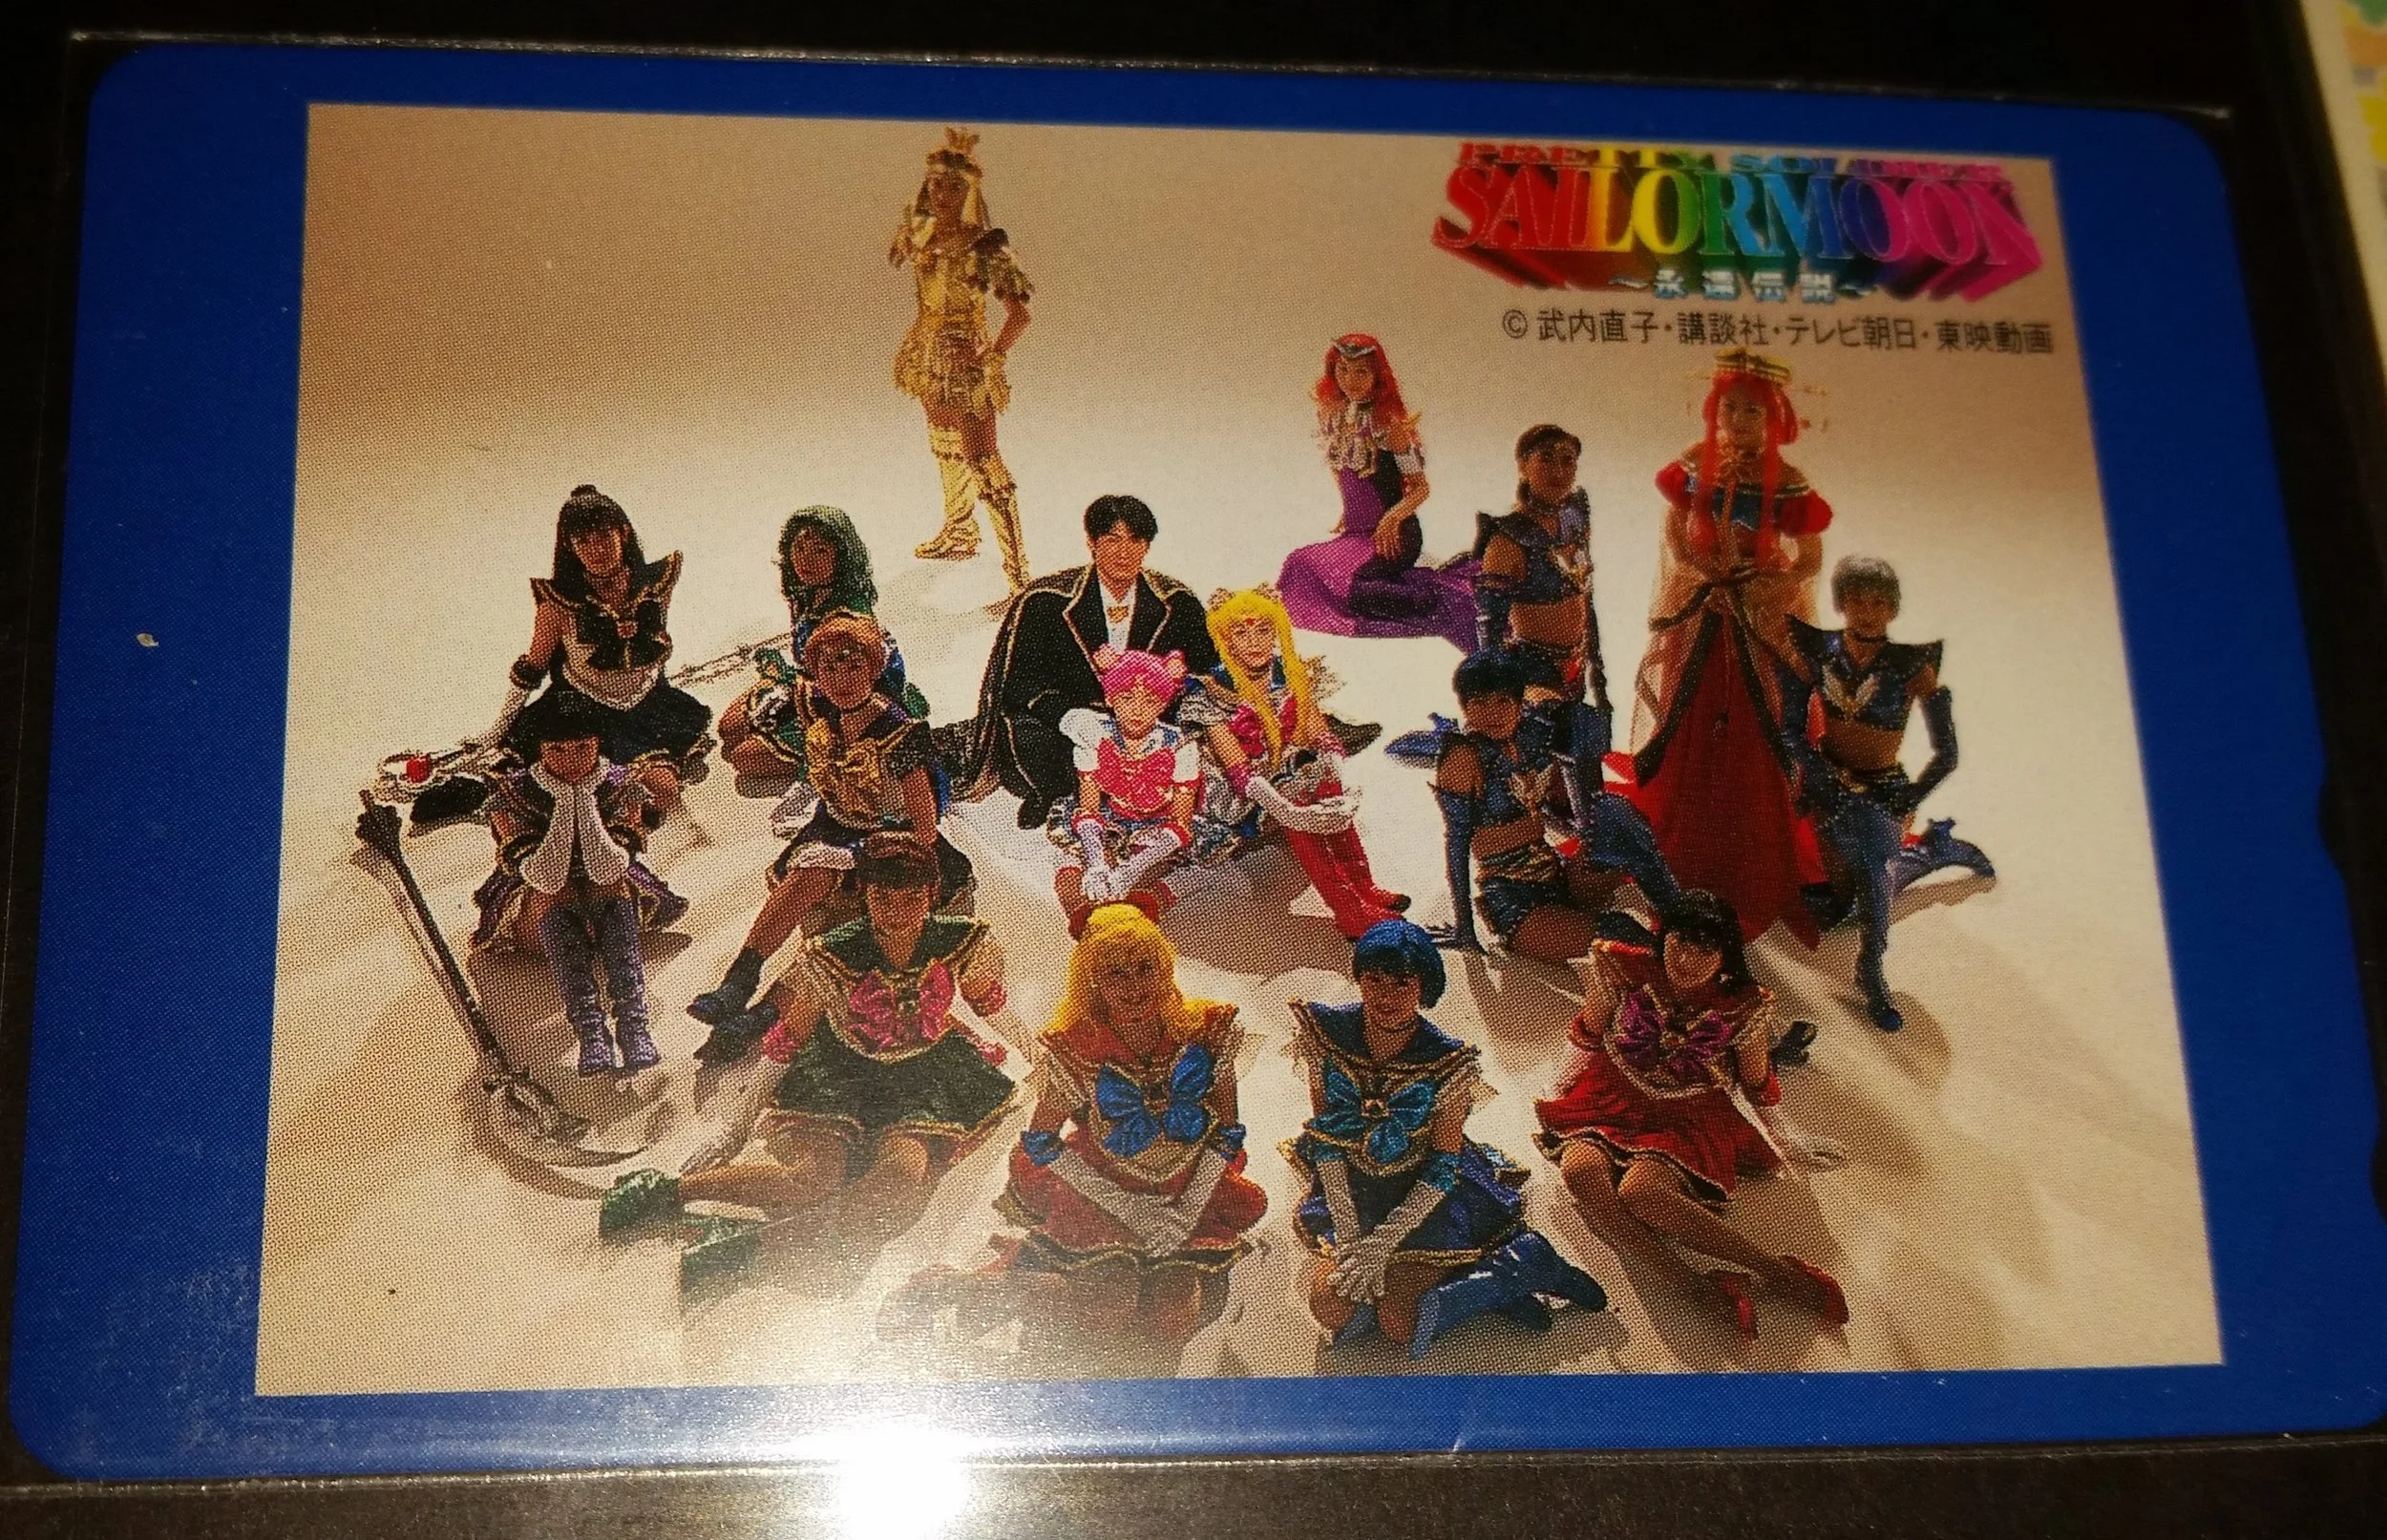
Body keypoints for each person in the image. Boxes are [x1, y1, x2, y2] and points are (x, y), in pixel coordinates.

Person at [599, 833, 1025, 1289]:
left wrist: (1037, 1052)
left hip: (925, 1079)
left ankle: (746, 1245)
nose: (897, 912)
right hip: (841, 1076)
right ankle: (668, 1190)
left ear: (932, 893)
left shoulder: (963, 939)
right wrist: (734, 1129)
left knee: (897, 1188)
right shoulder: (832, 953)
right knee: (811, 1179)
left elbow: (987, 1001)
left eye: (911, 898)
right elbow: (788, 1039)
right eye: (883, 897)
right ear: (863, 892)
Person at [882, 903, 1267, 1343]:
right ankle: (954, 1285)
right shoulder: (1076, 1048)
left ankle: (1026, 1274)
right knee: (1104, 1313)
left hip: (1190, 1187)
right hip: (1101, 1186)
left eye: (1145, 968)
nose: (1134, 986)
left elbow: (1227, 1133)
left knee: (1168, 1324)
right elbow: (1042, 1142)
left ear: (1164, 967)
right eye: (1116, 973)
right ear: (1093, 980)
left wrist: (1183, 1216)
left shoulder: (1209, 1030)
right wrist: (1134, 1211)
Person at [1286, 919, 1607, 1359]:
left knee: (1399, 1323)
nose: (1386, 996)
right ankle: (1487, 1287)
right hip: (1353, 1187)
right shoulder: (1325, 1031)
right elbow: (1326, 1137)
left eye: (1402, 983)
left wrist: (1383, 1243)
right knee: (1330, 1306)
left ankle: (1523, 1266)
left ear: (1424, 986)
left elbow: (1442, 1165)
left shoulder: (1448, 1059)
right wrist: (1350, 1238)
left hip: (1428, 1191)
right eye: (1374, 979)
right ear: (1358, 977)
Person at [1536, 892, 1848, 1340]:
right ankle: (1693, 1287)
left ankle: (1776, 1272)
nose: (1687, 960)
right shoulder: (1621, 966)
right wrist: (1559, 1084)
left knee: (1641, 1193)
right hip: (1610, 1094)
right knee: (1581, 1174)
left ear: (1725, 956)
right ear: (1664, 936)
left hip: (1688, 1116)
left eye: (1705, 950)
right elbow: (1588, 1029)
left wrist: (1785, 1135)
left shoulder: (1744, 1004)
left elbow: (1757, 1080)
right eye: (1681, 942)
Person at [686, 614, 972, 1054]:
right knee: (808, 875)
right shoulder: (819, 706)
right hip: (836, 827)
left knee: (843, 929)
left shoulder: (896, 730)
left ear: (874, 669)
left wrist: (901, 865)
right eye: (829, 668)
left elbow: (923, 817)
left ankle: (763, 1014)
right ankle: (739, 981)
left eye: (854, 666)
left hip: (892, 839)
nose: (842, 680)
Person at [1626, 349, 1832, 943]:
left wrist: (1763, 584)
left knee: (1757, 720)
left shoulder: (1788, 482)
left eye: (1752, 411)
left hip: (1759, 619)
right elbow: (1675, 530)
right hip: (1703, 611)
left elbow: (1808, 561)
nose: (1739, 421)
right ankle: (1688, 834)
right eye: (1730, 408)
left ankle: (1752, 842)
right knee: (1692, 713)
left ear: (1773, 418)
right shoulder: (1696, 464)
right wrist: (1700, 570)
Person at [1778, 556, 1991, 1031]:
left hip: (1883, 790)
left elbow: (1948, 753)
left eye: (1878, 602)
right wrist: (1819, 776)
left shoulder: (1911, 665)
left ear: (1893, 608)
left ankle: (1870, 967)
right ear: (1841, 603)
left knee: (1873, 877)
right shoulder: (1817, 651)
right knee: (1846, 903)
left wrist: (1910, 797)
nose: (1867, 612)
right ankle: (1934, 851)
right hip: (1828, 787)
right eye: (1857, 600)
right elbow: (1789, 730)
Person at [943, 494, 1220, 828]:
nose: (1124, 552)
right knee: (1028, 736)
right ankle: (1055, 794)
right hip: (1068, 728)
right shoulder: (1045, 601)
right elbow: (1018, 686)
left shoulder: (1178, 602)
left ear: (1147, 546)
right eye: (1112, 540)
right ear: (1091, 542)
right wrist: (1071, 718)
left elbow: (1209, 668)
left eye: (1135, 541)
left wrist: (1171, 687)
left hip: (1149, 726)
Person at [469, 691, 683, 1075]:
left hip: (606, 890)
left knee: (612, 887)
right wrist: (567, 801)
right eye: (557, 750)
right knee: (554, 892)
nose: (571, 761)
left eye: (583, 748)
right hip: (541, 900)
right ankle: (590, 1031)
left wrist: (582, 797)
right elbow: (544, 875)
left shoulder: (622, 783)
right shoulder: (510, 794)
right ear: (540, 750)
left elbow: (608, 868)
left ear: (598, 743)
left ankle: (633, 1025)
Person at [473, 484, 711, 815]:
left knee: (661, 792)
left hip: (649, 708)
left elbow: (652, 648)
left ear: (623, 533)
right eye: (583, 541)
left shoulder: (657, 584)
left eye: (603, 536)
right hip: (583, 714)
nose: (596, 549)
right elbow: (532, 669)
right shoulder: (558, 604)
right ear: (570, 547)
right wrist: (497, 730)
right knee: (571, 793)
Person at [1177, 585, 1401, 938]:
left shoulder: (1292, 673)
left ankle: (1364, 886)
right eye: (1241, 633)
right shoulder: (1210, 692)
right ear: (1225, 639)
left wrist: (1344, 784)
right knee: (1299, 794)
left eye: (1264, 630)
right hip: (1237, 792)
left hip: (1282, 771)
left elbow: (1322, 736)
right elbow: (1238, 770)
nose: (1254, 641)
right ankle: (1349, 911)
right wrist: (1289, 811)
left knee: (1323, 780)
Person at [1431, 651, 1679, 961]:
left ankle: (1681, 919)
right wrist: (1464, 929)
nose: (1492, 713)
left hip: (1557, 873)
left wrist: (1570, 714)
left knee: (1615, 812)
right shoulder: (1462, 757)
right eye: (1479, 703)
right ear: (1465, 707)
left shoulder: (1533, 732)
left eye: (1503, 702)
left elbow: (1587, 770)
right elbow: (1457, 842)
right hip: (1514, 897)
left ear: (1519, 703)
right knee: (1620, 933)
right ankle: (1678, 948)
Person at [892, 126, 1035, 590]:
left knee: (984, 460)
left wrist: (990, 354)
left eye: (954, 187)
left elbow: (1019, 315)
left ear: (969, 190)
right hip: (927, 355)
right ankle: (959, 529)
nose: (942, 194)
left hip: (966, 363)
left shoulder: (985, 247)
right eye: (936, 184)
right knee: (944, 444)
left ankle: (1019, 575)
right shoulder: (921, 236)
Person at [1275, 334, 1474, 651]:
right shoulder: (1333, 415)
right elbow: (1340, 467)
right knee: (1298, 564)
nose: (1350, 380)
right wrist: (1348, 509)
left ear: (1377, 376)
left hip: (1394, 534)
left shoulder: (1389, 425)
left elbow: (1420, 487)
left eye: (1361, 372)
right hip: (1357, 534)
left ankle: (1434, 595)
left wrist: (1391, 519)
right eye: (1343, 370)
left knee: (1360, 592)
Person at [719, 506, 930, 781]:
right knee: (728, 728)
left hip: (843, 701)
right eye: (799, 549)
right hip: (808, 685)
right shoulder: (806, 593)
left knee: (743, 758)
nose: (806, 560)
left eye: (820, 551)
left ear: (841, 556)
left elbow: (849, 686)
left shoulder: (849, 615)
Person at [1473, 423, 1611, 820]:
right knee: (1566, 738)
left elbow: (1584, 597)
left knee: (1581, 741)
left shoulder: (1575, 517)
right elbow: (1489, 629)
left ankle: (1571, 806)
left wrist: (1595, 664)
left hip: (1574, 665)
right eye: (1546, 459)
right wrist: (1497, 697)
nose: (1559, 470)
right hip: (1532, 671)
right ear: (1523, 465)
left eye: (1568, 460)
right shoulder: (1508, 539)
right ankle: (1581, 827)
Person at [1047, 649, 1204, 923]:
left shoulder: (1180, 745)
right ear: (1110, 698)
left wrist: (1130, 871)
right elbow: (1089, 808)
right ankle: (1085, 916)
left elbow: (1180, 824)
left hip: (1161, 827)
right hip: (1114, 816)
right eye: (1127, 698)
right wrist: (1096, 863)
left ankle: (1145, 906)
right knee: (1077, 866)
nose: (1137, 710)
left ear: (1163, 703)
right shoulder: (1094, 734)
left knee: (1185, 872)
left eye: (1150, 700)